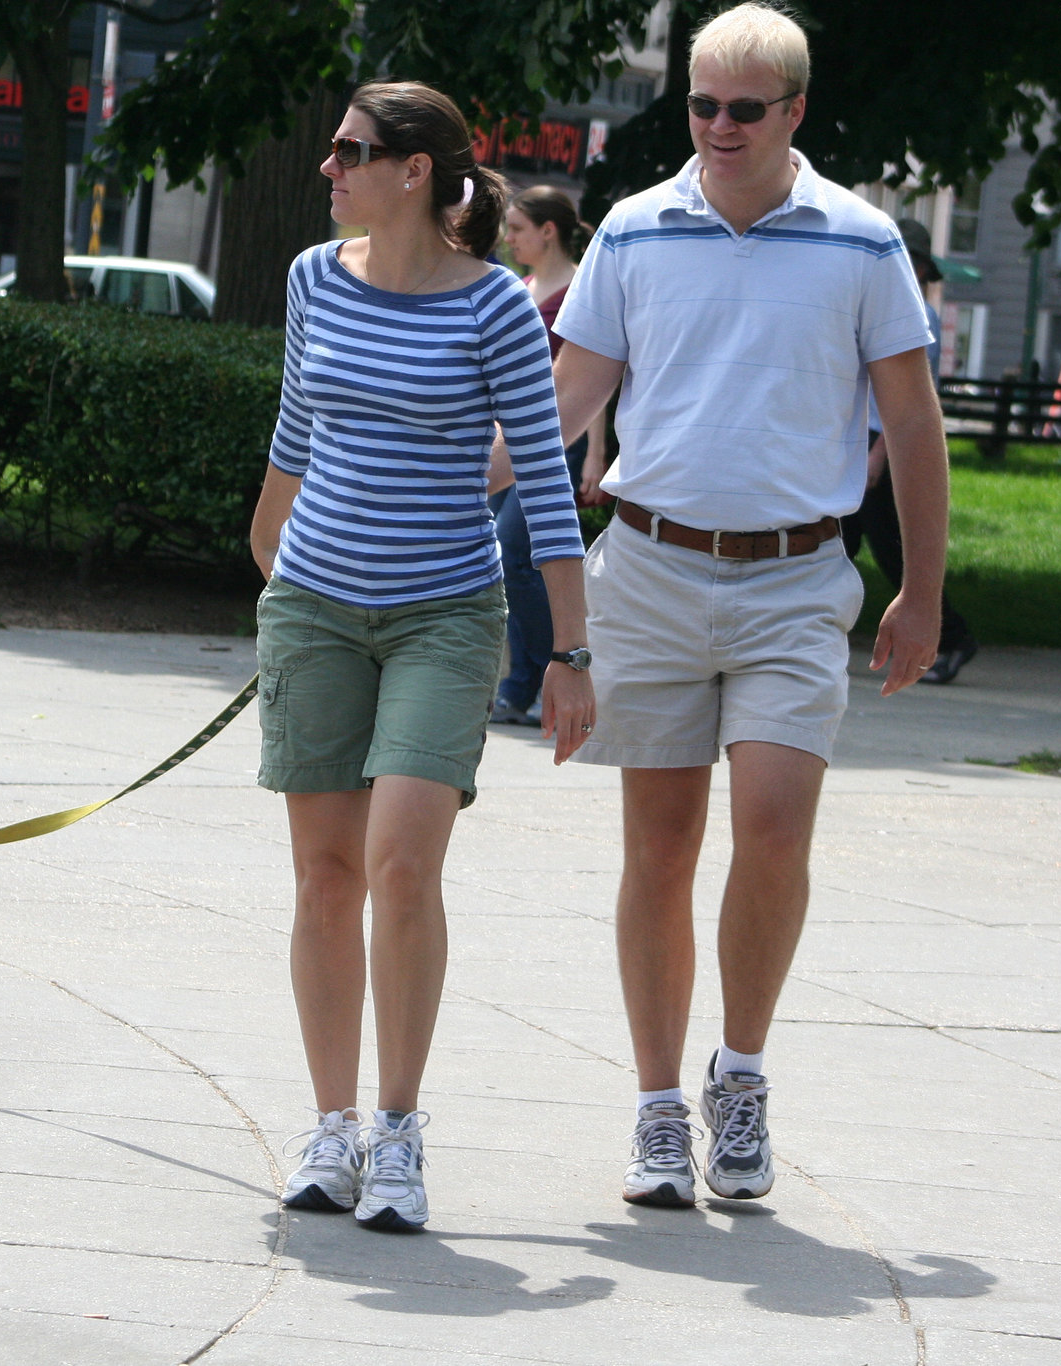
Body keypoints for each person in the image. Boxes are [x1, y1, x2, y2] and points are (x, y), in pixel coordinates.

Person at [551, 3, 947, 1206]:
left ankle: (743, 1073)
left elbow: (915, 427)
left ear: (794, 113)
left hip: (793, 579)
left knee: (773, 827)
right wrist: (429, 502)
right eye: (700, 106)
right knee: (658, 850)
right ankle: (658, 1105)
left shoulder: (860, 242)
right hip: (652, 567)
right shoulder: (630, 229)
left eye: (742, 108)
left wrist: (920, 592)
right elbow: (561, 402)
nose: (716, 128)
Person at [251, 80, 594, 1233]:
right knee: (322, 875)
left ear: (414, 172)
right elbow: (295, 434)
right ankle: (329, 1125)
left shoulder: (493, 304)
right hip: (315, 605)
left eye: (349, 149)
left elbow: (543, 479)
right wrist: (272, 573)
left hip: (443, 616)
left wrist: (569, 649)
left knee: (400, 864)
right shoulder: (311, 277)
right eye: (332, 147)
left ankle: (396, 1130)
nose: (328, 166)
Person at [487, 186, 611, 726]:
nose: (508, 238)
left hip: (563, 438)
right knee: (505, 555)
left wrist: (596, 453)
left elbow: (594, 376)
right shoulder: (522, 287)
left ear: (548, 230)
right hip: (506, 440)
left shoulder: (583, 287)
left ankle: (545, 672)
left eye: (516, 228)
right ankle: (521, 682)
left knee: (519, 544)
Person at [841, 218, 978, 683]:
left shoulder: (921, 315)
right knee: (834, 542)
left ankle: (953, 636)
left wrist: (877, 457)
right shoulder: (870, 301)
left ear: (922, 269)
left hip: (888, 449)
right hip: (854, 444)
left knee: (894, 549)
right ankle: (808, 635)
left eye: (912, 260)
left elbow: (913, 401)